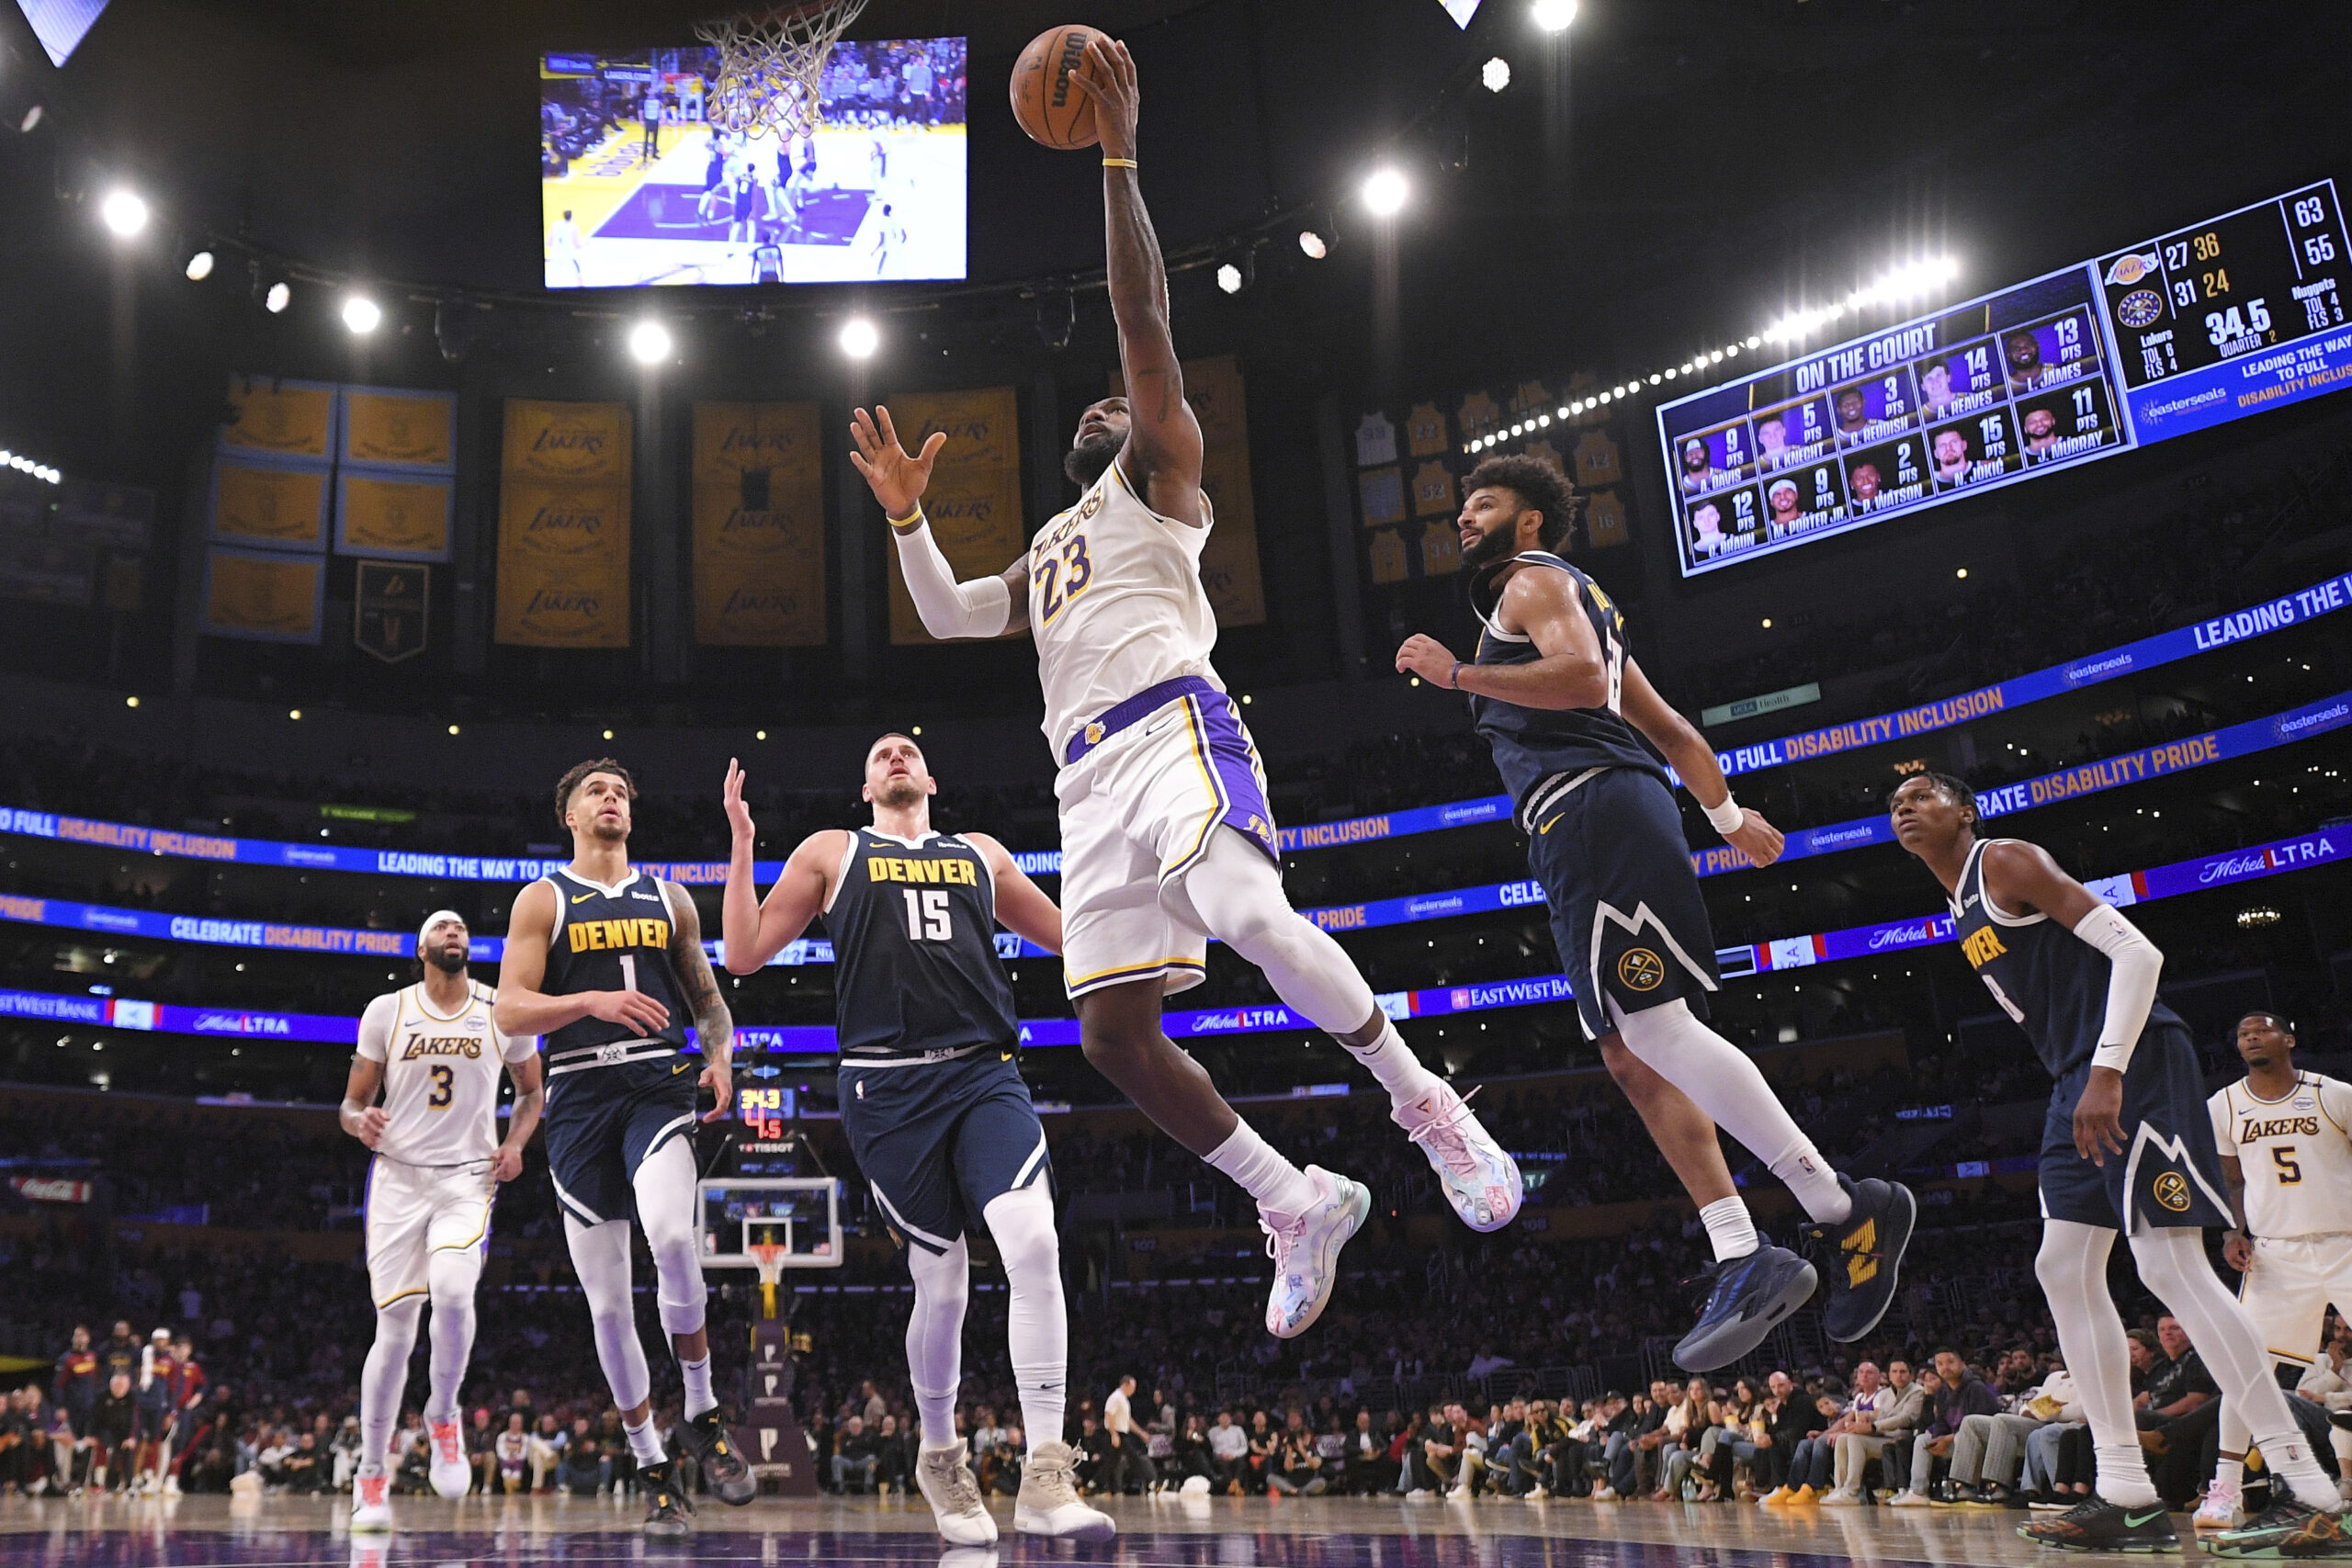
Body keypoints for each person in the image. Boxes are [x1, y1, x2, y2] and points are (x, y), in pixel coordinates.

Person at [848, 34, 1520, 1346]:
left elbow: (1144, 320)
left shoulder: (1159, 481)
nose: (1121, 397)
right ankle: (1293, 1195)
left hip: (1170, 723)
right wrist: (907, 522)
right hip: (1084, 780)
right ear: (1075, 443)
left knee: (1243, 908)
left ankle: (1421, 1095)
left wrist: (1118, 153)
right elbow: (943, 612)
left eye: (1130, 396)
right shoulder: (1050, 546)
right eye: (1102, 403)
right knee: (1107, 1032)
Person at [1395, 452, 1913, 1371]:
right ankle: (1741, 1251)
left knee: (1655, 1031)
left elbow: (1584, 684)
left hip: (1592, 810)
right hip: (1591, 819)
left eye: (1483, 503)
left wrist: (1456, 678)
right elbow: (1670, 729)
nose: (1461, 516)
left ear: (1528, 522)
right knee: (1632, 1053)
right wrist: (1727, 817)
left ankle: (1839, 1206)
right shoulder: (1577, 602)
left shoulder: (1533, 582)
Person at [1890, 771, 2352, 1554]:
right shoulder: (1955, 904)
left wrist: (2107, 1070)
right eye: (1894, 804)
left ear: (1965, 811)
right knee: (2062, 1265)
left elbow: (2139, 952)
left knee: (2172, 1266)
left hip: (2129, 1062)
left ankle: (2313, 1493)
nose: (1903, 807)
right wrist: (2087, 1073)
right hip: (2077, 1074)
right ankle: (2127, 1492)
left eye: (1922, 796)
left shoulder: (2002, 859)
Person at [720, 738, 1111, 1544]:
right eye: (881, 753)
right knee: (944, 1283)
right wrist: (742, 845)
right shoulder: (832, 849)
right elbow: (744, 952)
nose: (896, 756)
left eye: (910, 751)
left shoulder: (979, 853)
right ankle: (940, 1452)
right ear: (865, 785)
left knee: (1034, 1243)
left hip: (983, 1075)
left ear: (931, 778)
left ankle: (1046, 1468)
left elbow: (1076, 937)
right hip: (887, 1087)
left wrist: (1149, 925)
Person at [496, 760, 755, 1538]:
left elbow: (706, 994)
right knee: (609, 1308)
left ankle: (704, 1411)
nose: (611, 799)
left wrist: (721, 1055)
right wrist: (591, 1000)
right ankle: (654, 1466)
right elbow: (509, 1005)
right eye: (594, 792)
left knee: (673, 1233)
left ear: (630, 817)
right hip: (577, 1098)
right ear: (568, 815)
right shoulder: (543, 897)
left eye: (621, 793)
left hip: (654, 1086)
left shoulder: (668, 897)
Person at [341, 910, 545, 1531]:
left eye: (461, 927)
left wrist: (517, 1144)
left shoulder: (499, 1007)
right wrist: (358, 1121)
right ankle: (372, 1473)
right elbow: (353, 1101)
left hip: (467, 1175)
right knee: (395, 1329)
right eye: (442, 927)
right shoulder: (386, 1010)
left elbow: (533, 1092)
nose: (455, 931)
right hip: (399, 1178)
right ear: (422, 946)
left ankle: (443, 1412)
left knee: (455, 1291)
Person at [2199, 1011, 2352, 1529]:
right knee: (2248, 1372)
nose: (2249, 1037)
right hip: (2276, 1254)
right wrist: (2231, 1232)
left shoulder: (2334, 1094)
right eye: (2242, 1032)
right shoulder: (2223, 1104)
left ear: (2289, 1039)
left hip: (2346, 1242)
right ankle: (2224, 1489)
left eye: (2261, 1030)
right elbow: (2231, 1179)